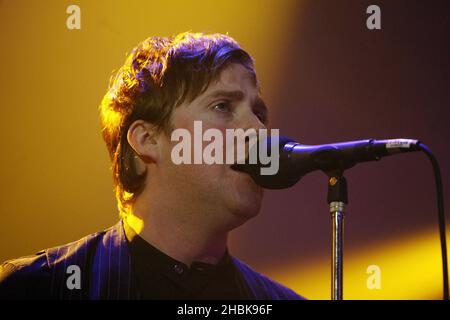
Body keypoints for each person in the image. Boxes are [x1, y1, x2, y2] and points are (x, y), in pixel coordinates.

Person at [0, 32, 304, 300]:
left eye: (259, 113)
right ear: (147, 139)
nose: (259, 129)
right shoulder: (36, 287)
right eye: (222, 106)